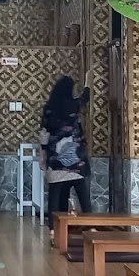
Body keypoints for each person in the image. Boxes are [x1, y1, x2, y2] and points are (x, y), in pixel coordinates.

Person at [40, 75, 90, 234]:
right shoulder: (75, 105)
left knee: (54, 196)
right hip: (76, 160)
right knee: (83, 196)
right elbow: (85, 98)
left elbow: (44, 133)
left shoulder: (49, 108)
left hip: (55, 159)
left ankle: (53, 230)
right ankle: (91, 226)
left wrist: (43, 156)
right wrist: (88, 84)